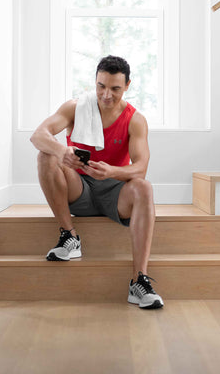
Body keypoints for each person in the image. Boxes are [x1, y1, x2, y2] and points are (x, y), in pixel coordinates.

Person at [30, 55, 163, 309]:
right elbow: (38, 135)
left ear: (127, 86)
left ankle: (139, 281)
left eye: (114, 88)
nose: (106, 95)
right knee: (46, 155)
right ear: (95, 82)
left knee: (144, 187)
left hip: (114, 191)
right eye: (101, 86)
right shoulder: (75, 107)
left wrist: (111, 171)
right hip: (77, 188)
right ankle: (69, 236)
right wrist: (62, 151)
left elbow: (141, 168)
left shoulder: (135, 120)